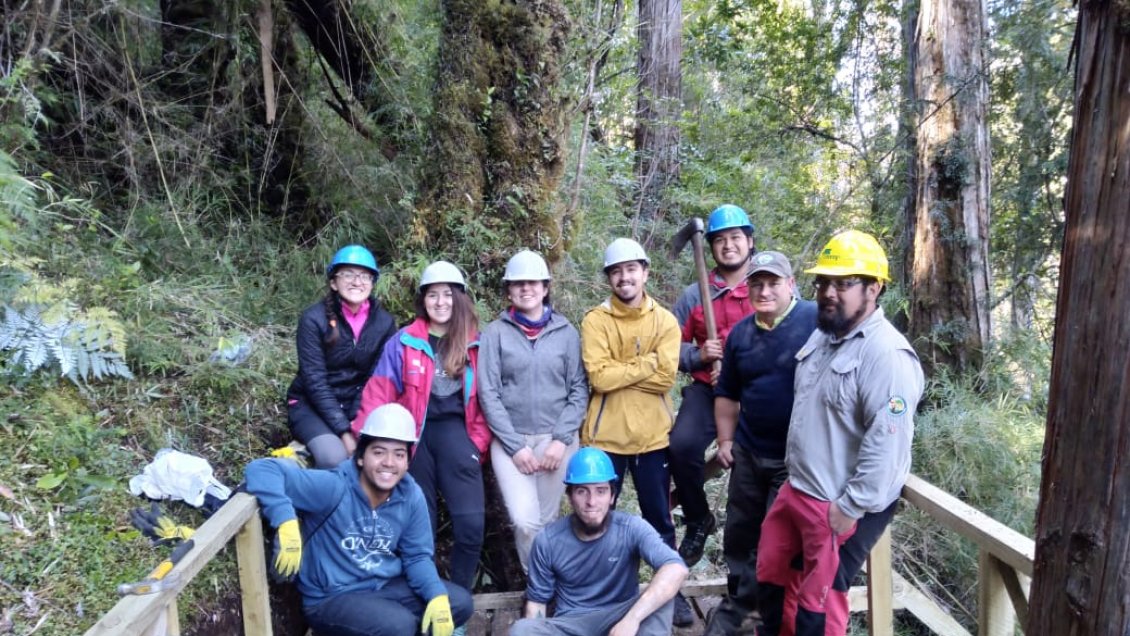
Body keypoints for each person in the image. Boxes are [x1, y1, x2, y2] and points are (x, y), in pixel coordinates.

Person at [754, 231, 924, 636]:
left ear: (873, 288)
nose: (829, 292)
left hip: (838, 504)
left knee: (819, 604)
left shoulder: (887, 356)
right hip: (797, 490)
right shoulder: (825, 335)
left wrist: (850, 507)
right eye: (824, 282)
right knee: (774, 581)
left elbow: (888, 444)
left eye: (843, 283)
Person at [245, 403, 473, 636]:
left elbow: (416, 557)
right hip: (331, 597)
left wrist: (436, 594)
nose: (389, 462)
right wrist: (286, 521)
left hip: (383, 585)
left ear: (407, 462)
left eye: (399, 454)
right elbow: (262, 470)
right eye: (379, 452)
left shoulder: (410, 496)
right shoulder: (335, 487)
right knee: (399, 626)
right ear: (361, 457)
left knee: (458, 603)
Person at [351, 260, 490, 592]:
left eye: (447, 294)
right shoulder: (404, 341)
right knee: (420, 523)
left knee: (471, 524)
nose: (440, 302)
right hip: (412, 438)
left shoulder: (478, 343)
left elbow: (490, 400)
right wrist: (364, 441)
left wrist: (478, 445)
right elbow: (379, 394)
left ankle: (459, 598)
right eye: (432, 295)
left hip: (459, 434)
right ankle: (424, 595)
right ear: (423, 300)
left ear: (460, 298)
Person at [703, 251, 817, 636]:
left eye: (773, 282)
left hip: (796, 459)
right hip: (749, 453)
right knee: (740, 532)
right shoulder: (741, 334)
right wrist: (724, 439)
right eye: (757, 283)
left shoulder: (816, 322)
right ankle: (739, 605)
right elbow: (727, 394)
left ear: (791, 284)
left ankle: (770, 616)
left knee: (778, 542)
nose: (764, 290)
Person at [579, 237, 692, 625]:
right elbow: (598, 376)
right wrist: (644, 364)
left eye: (631, 269)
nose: (624, 277)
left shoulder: (664, 321)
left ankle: (670, 591)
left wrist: (623, 371)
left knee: (658, 517)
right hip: (604, 437)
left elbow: (665, 378)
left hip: (651, 438)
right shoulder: (596, 320)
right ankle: (594, 592)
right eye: (616, 271)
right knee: (596, 517)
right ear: (609, 278)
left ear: (645, 272)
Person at [478, 249, 589, 573]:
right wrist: (515, 446)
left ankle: (545, 587)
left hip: (557, 439)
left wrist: (561, 439)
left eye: (534, 283)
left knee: (548, 520)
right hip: (511, 440)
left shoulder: (566, 332)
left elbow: (578, 389)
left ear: (545, 287)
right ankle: (537, 580)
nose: (526, 289)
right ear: (509, 290)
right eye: (518, 283)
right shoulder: (495, 333)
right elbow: (489, 392)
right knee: (525, 521)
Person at [510, 447, 689, 636]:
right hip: (571, 624)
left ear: (612, 496)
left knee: (662, 594)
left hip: (620, 618)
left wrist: (631, 620)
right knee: (522, 629)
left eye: (601, 491)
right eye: (582, 491)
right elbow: (537, 603)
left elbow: (676, 569)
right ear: (570, 496)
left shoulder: (631, 528)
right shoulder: (548, 540)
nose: (592, 502)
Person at [670, 204, 757, 567]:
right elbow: (667, 348)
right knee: (681, 446)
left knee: (752, 467)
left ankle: (750, 557)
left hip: (756, 391)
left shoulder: (766, 284)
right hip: (708, 390)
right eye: (719, 240)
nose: (728, 246)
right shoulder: (695, 295)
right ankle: (697, 517)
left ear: (750, 241)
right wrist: (698, 354)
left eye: (735, 238)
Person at [286, 245, 397, 469]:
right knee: (334, 457)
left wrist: (358, 419)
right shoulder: (313, 319)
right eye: (348, 274)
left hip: (357, 404)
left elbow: (375, 377)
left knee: (377, 456)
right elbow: (314, 380)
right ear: (334, 282)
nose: (357, 281)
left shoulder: (384, 323)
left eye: (364, 276)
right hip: (311, 405)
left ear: (373, 283)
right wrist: (344, 430)